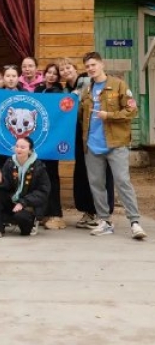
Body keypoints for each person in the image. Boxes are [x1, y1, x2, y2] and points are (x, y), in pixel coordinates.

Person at [79, 52, 146, 239]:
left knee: (123, 181)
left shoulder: (118, 85)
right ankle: (104, 221)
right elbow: (79, 115)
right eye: (87, 66)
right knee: (97, 184)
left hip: (116, 143)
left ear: (102, 64)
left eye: (93, 64)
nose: (90, 68)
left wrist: (109, 116)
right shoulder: (86, 90)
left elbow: (132, 110)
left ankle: (134, 222)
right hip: (92, 145)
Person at [59, 57, 113, 229]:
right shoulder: (66, 90)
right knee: (82, 173)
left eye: (68, 67)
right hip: (78, 137)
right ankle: (87, 211)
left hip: (95, 135)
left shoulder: (88, 82)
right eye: (62, 69)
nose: (66, 71)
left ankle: (102, 213)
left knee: (101, 174)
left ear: (75, 68)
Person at [0, 137, 51, 238]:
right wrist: (1, 181)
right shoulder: (10, 162)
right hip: (13, 201)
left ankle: (29, 225)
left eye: (23, 147)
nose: (19, 149)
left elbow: (43, 191)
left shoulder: (38, 166)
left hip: (28, 206)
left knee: (21, 217)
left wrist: (23, 202)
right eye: (17, 146)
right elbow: (7, 186)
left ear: (30, 150)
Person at [34, 62, 65, 229]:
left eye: (55, 73)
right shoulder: (38, 89)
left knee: (52, 176)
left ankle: (56, 213)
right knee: (40, 176)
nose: (51, 75)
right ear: (44, 74)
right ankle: (43, 213)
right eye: (49, 72)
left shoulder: (60, 92)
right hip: (39, 140)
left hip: (52, 140)